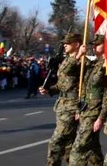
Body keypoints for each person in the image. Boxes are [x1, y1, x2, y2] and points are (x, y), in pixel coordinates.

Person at [40, 32, 83, 166]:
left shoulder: (80, 62)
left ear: (76, 45)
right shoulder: (66, 60)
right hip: (62, 105)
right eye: (64, 43)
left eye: (68, 43)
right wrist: (50, 89)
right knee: (69, 145)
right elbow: (63, 83)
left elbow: (85, 85)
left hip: (72, 105)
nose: (64, 45)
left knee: (56, 142)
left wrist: (80, 109)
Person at [69, 34, 107, 166]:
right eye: (93, 45)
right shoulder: (93, 65)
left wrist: (101, 117)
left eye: (98, 44)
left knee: (78, 148)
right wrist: (79, 108)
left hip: (94, 113)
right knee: (93, 149)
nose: (94, 47)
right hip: (86, 110)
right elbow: (82, 86)